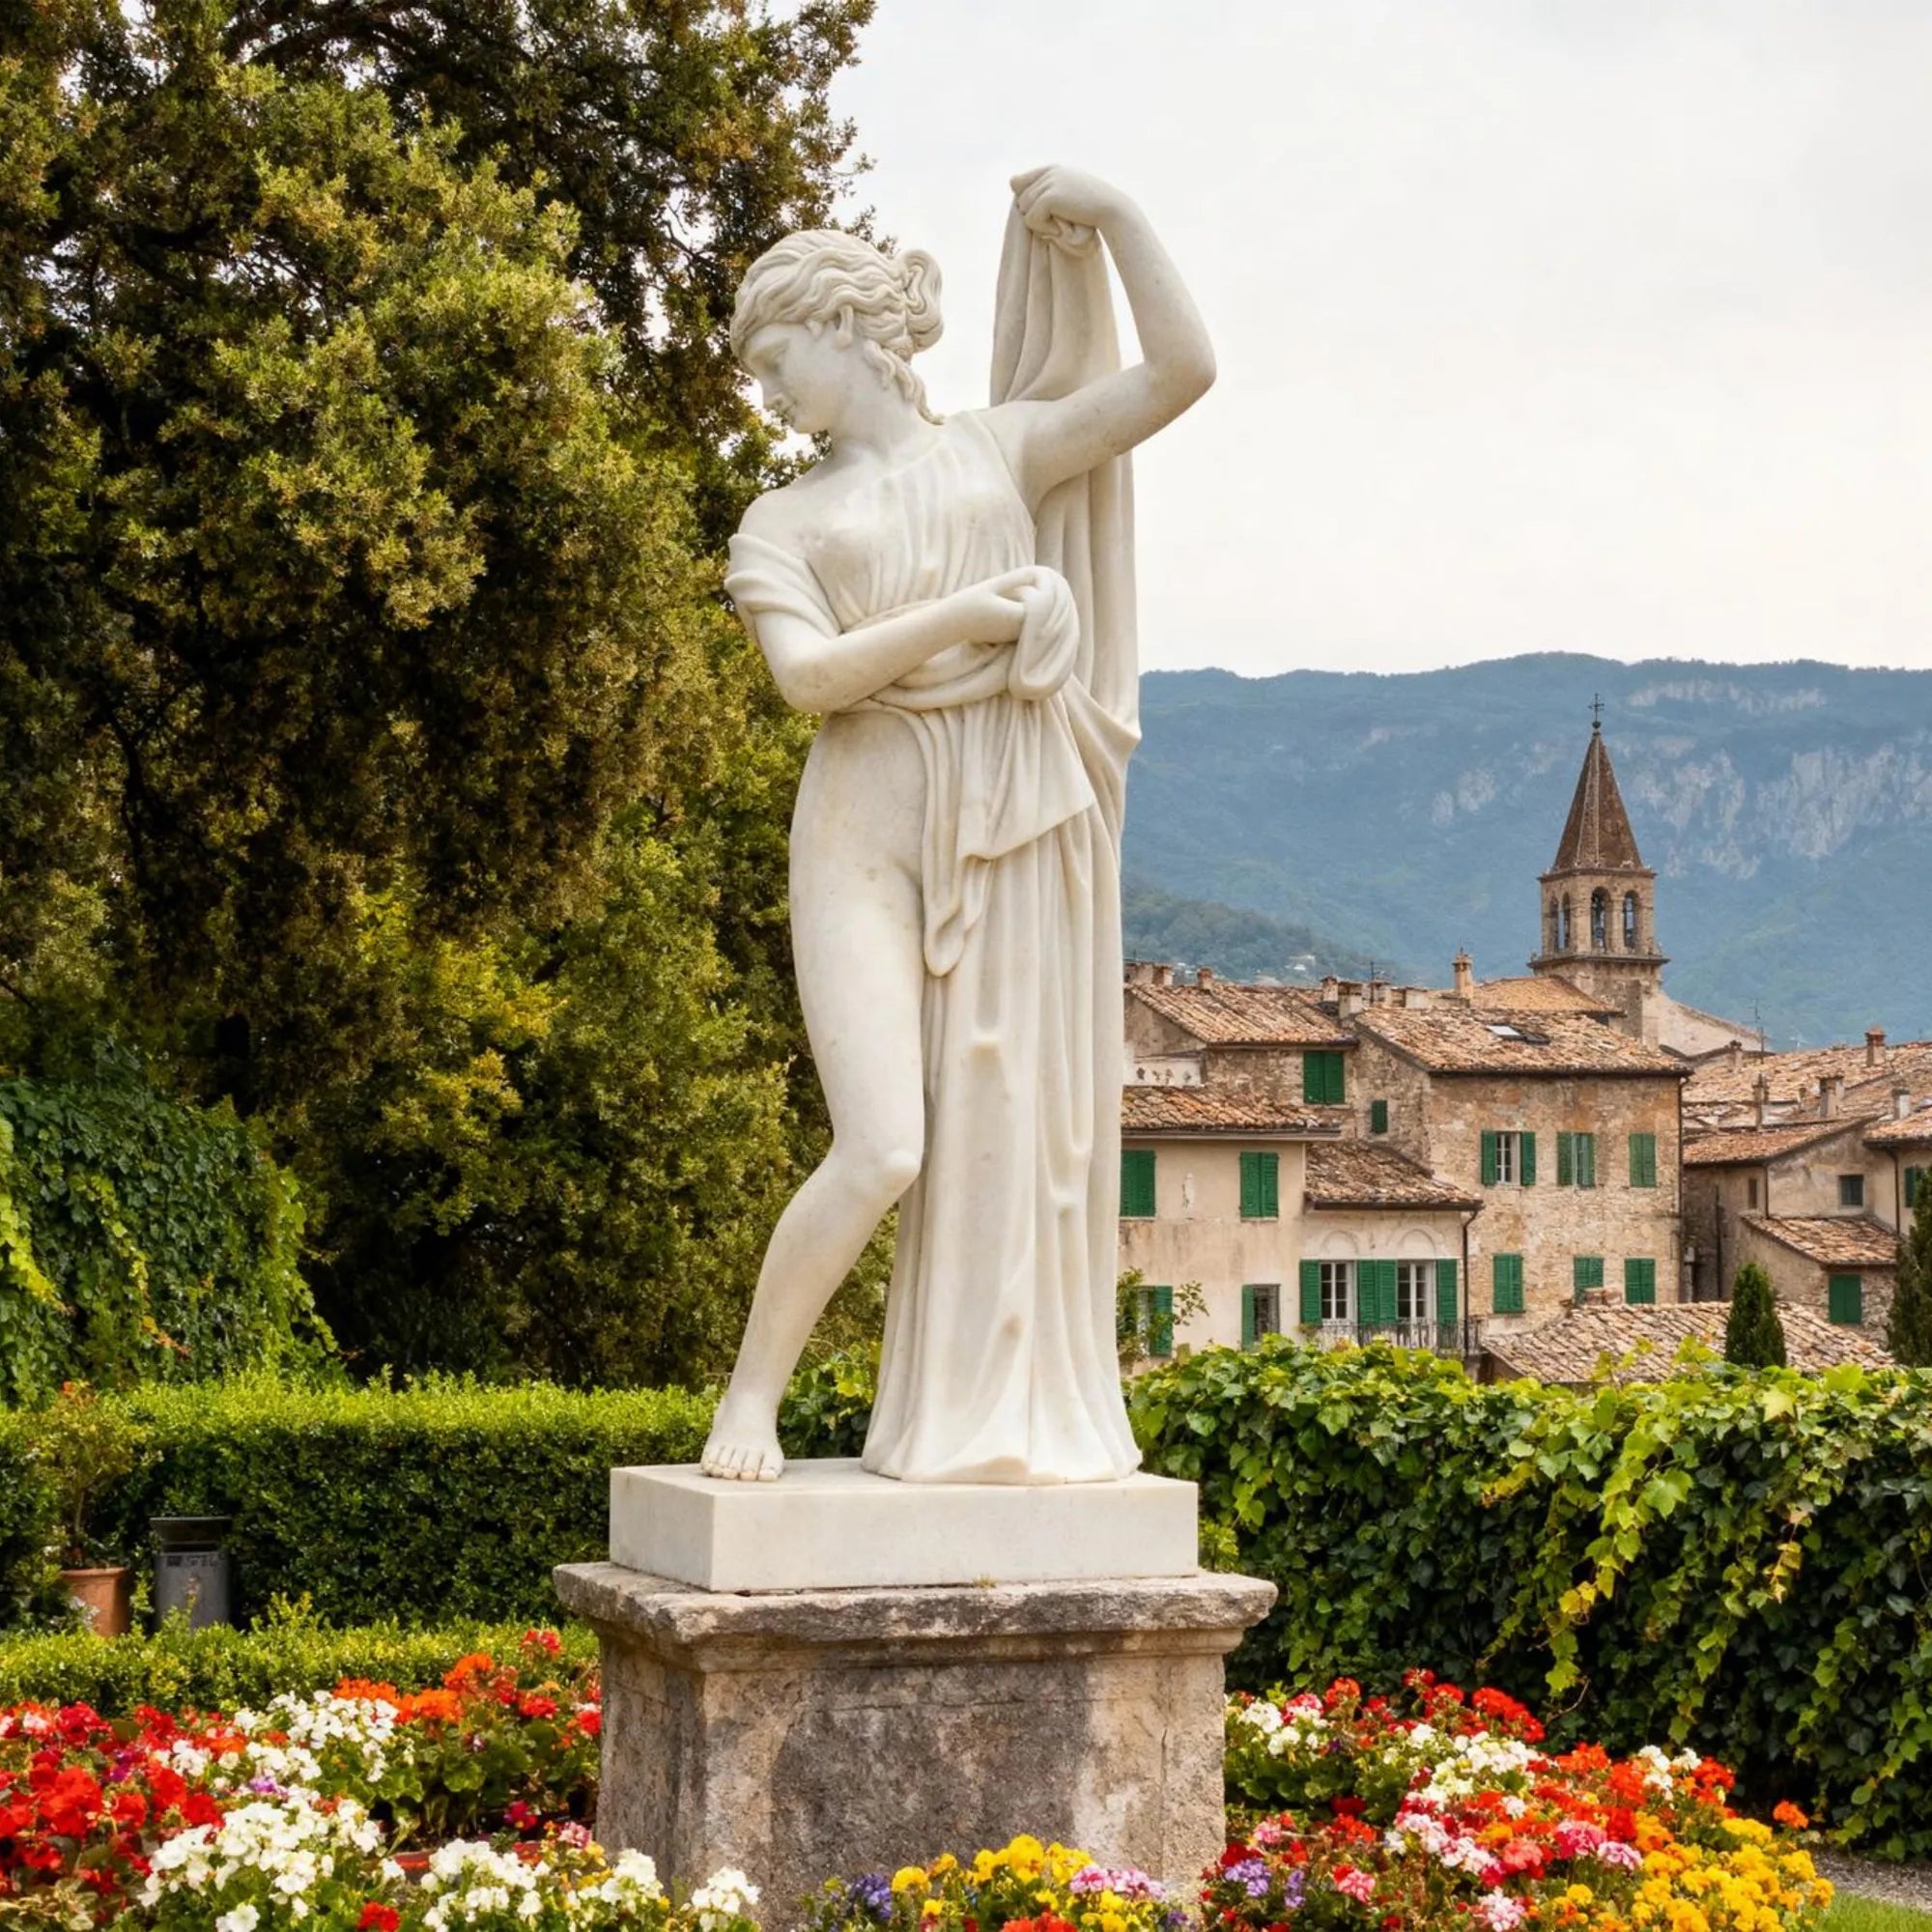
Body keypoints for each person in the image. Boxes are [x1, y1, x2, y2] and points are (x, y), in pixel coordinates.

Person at [700, 165, 1214, 1483]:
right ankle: (746, 1402)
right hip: (862, 846)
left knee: (1007, 1126)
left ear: (843, 328)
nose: (770, 397)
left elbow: (1181, 371)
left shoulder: (999, 449)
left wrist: (1118, 215)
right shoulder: (783, 519)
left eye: (775, 362)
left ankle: (998, 1411)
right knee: (883, 1145)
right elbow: (811, 680)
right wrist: (977, 615)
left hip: (1008, 826)